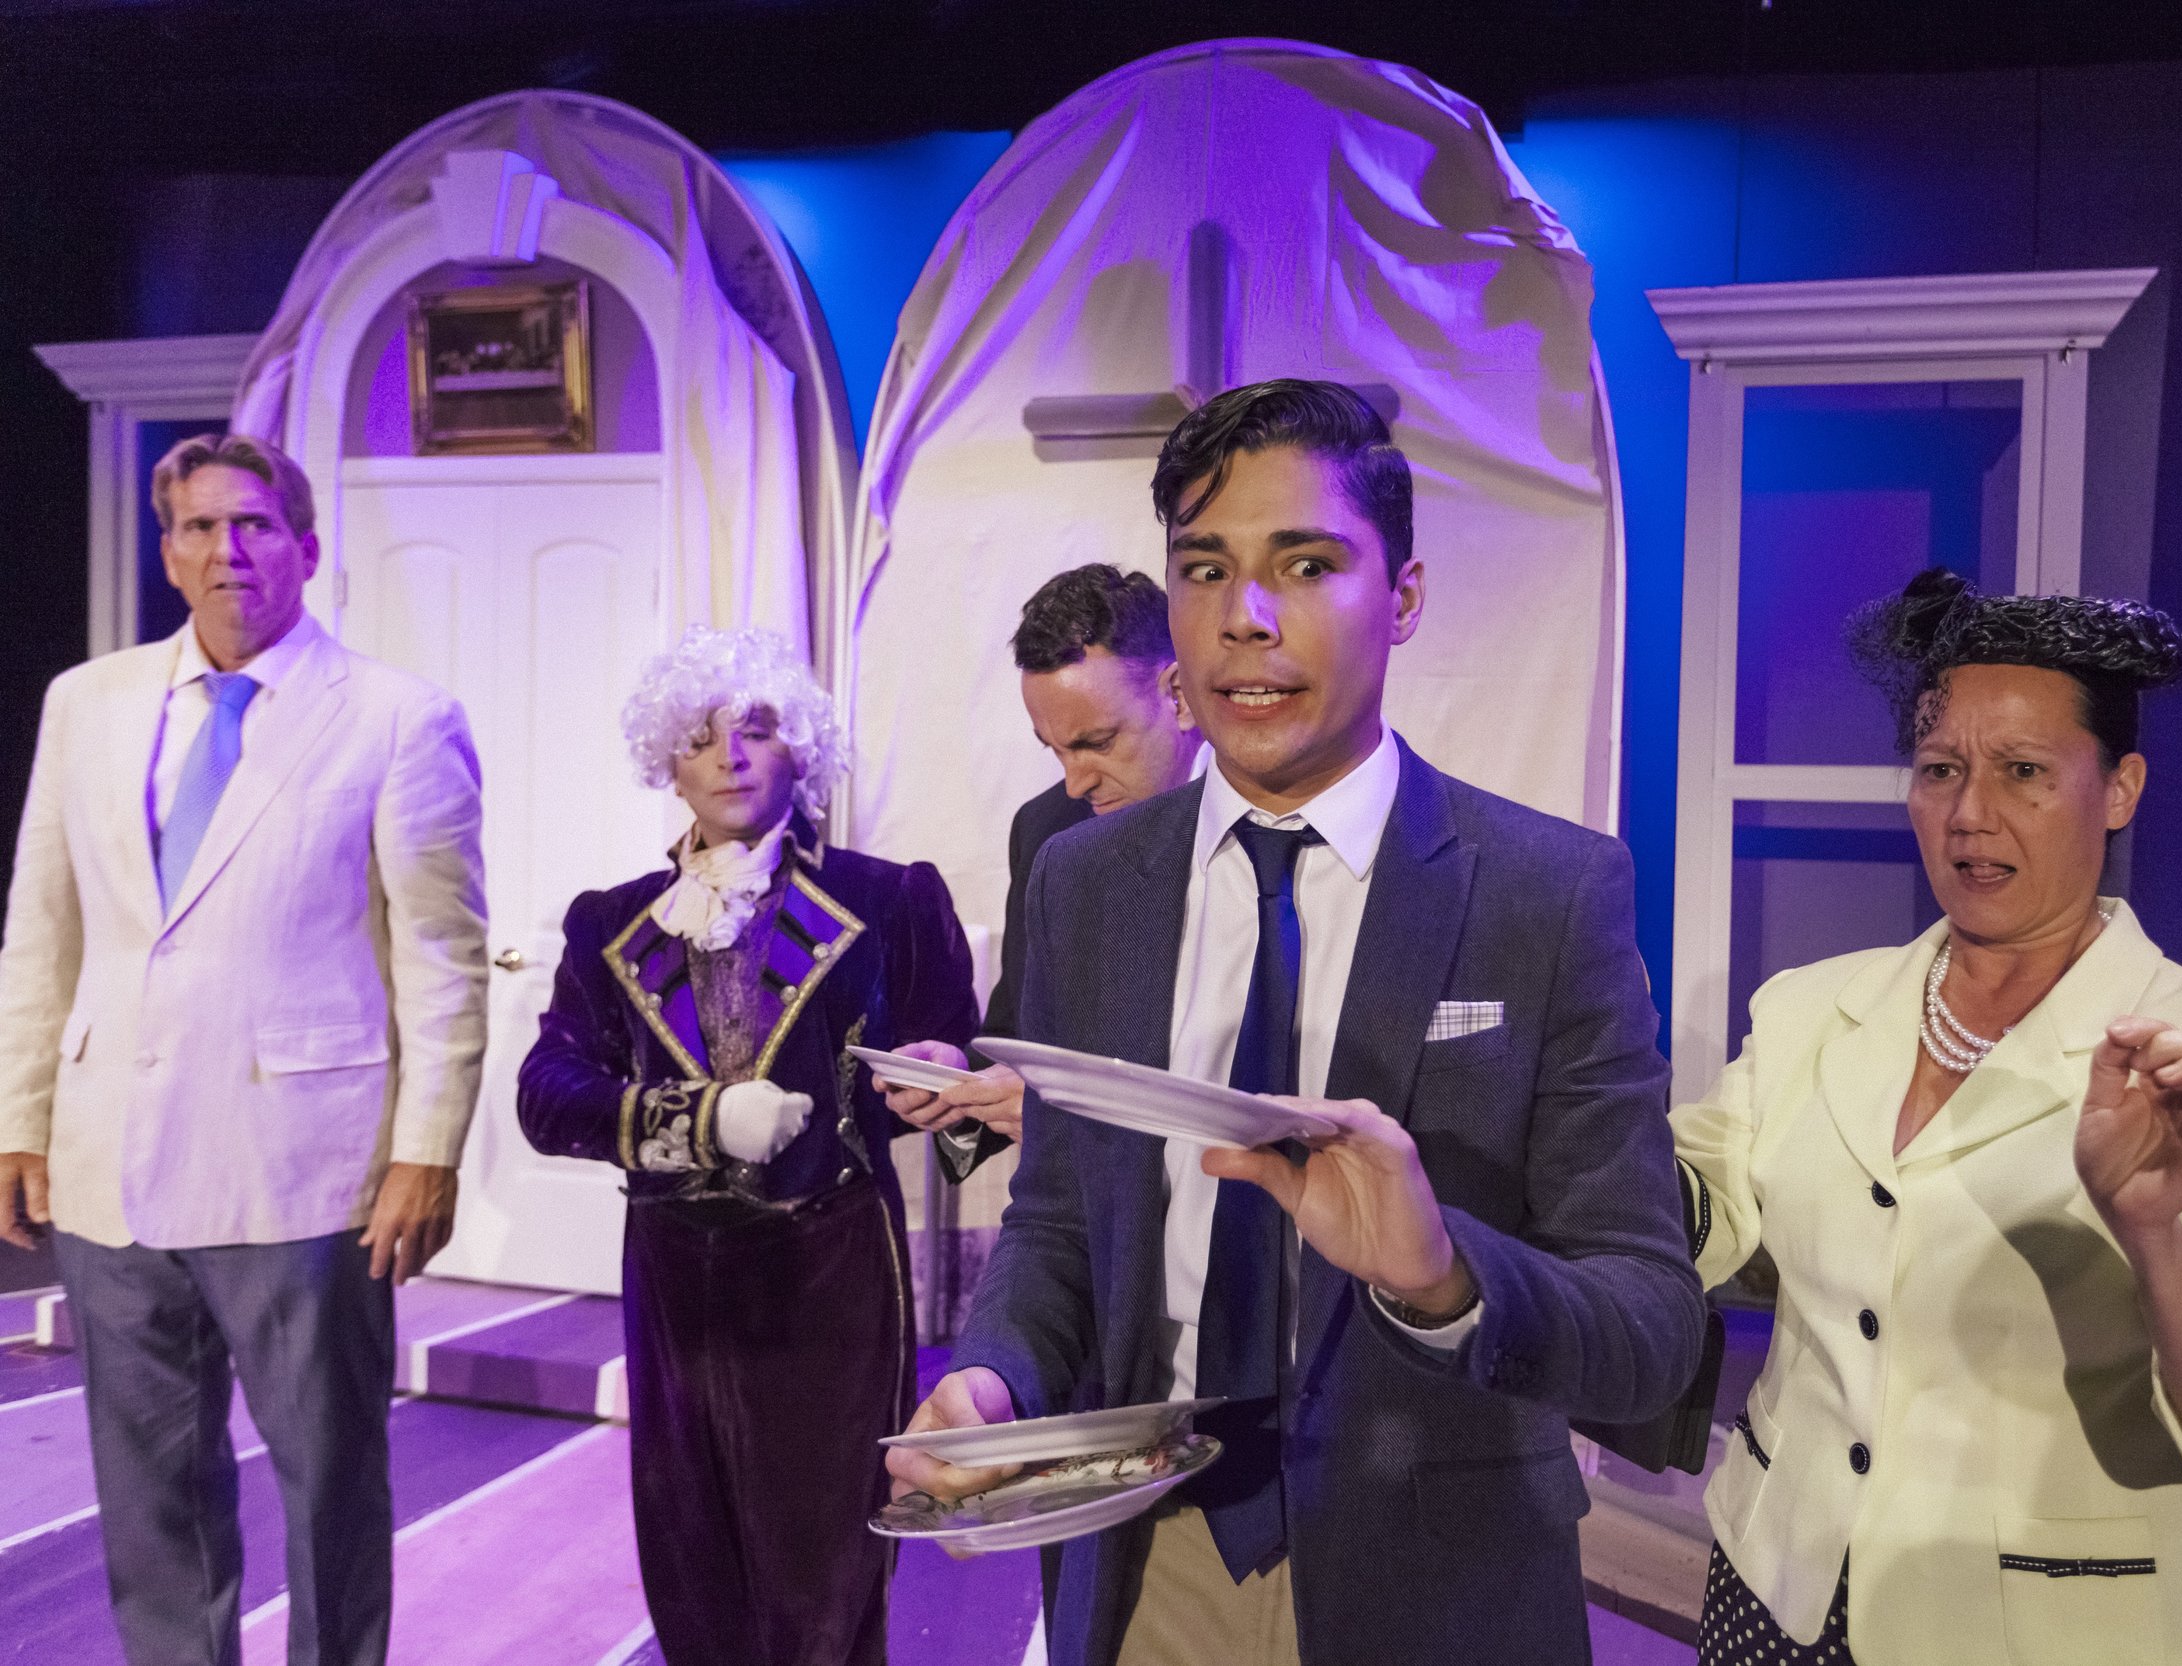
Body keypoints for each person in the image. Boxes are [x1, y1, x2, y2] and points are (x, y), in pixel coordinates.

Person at [887, 379, 1708, 1666]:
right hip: (1145, 1564)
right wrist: (996, 1380)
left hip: (1433, 1583)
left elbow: (1649, 1326)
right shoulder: (1086, 882)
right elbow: (1059, 1224)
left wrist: (1442, 1278)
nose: (1246, 617)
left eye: (1307, 565)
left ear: (1406, 595)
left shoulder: (1547, 893)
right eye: (1206, 568)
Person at [1671, 568, 2182, 1666]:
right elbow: (1699, 1203)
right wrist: (1567, 1109)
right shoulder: (1808, 1008)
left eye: (2024, 771)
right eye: (1939, 769)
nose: (1969, 813)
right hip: (1780, 1592)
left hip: (2059, 1635)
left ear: (2120, 787)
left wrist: (2154, 1234)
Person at [0, 434, 488, 1666]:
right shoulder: (86, 703)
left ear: (306, 549)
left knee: (329, 1483)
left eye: (257, 525)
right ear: (169, 553)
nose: (230, 551)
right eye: (202, 528)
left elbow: (441, 953)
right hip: (110, 1163)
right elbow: (42, 930)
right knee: (150, 1498)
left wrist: (427, 1150)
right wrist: (19, 1116)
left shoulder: (397, 716)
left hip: (305, 1169)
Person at [514, 625, 982, 1666]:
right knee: (693, 1565)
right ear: (666, 762)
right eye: (699, 737)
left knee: (827, 1574)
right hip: (675, 1275)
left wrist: (943, 1086)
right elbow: (547, 1095)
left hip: (831, 1268)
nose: (728, 756)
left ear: (798, 746)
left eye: (756, 729)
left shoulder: (888, 897)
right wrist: (699, 1122)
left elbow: (967, 1087)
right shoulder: (608, 922)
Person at [883, 562, 1200, 1149]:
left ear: (1179, 696)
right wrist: (963, 1085)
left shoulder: (1275, 816)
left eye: (1096, 743)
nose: (1076, 782)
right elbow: (1022, 1041)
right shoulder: (1045, 828)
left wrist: (1069, 1121)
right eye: (1054, 750)